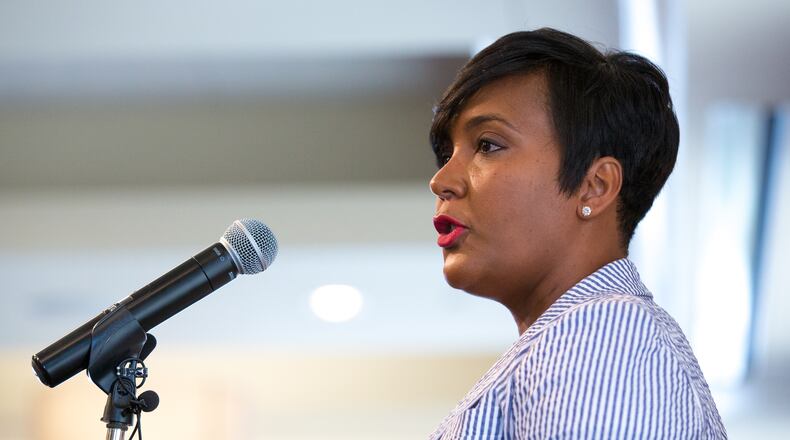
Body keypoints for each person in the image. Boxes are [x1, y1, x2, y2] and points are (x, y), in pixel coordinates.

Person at [427, 28, 726, 439]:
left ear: (595, 186)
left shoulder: (604, 332)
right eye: (447, 154)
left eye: (488, 144)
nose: (441, 180)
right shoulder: (579, 339)